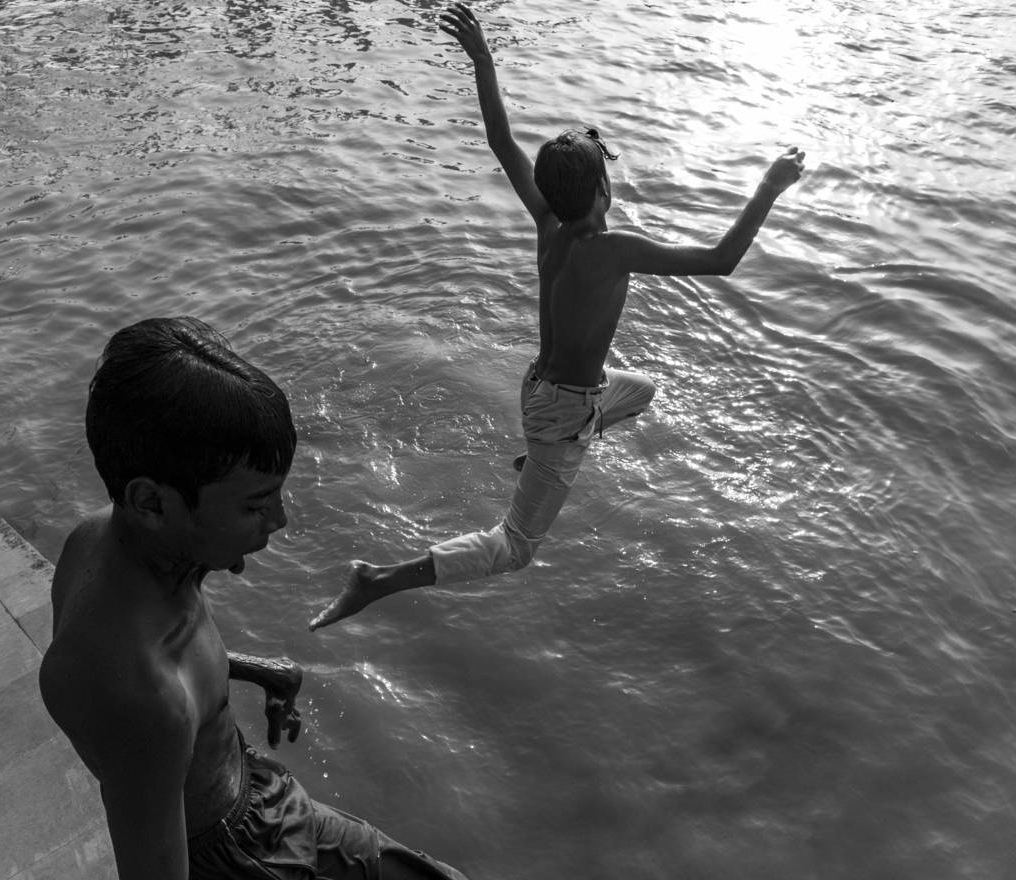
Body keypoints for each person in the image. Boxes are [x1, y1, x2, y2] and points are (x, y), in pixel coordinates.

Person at [309, 3, 806, 630]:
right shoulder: (613, 249)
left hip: (546, 390)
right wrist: (769, 186)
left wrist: (483, 60)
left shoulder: (549, 221)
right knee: (516, 548)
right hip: (562, 409)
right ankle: (376, 580)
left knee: (642, 391)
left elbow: (500, 141)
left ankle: (545, 454)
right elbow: (721, 260)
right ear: (603, 191)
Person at [38, 317, 483, 880]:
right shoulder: (140, 692)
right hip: (240, 837)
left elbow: (180, 667)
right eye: (255, 505)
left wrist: (260, 671)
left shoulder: (104, 540)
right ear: (152, 501)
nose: (279, 520)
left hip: (206, 788)